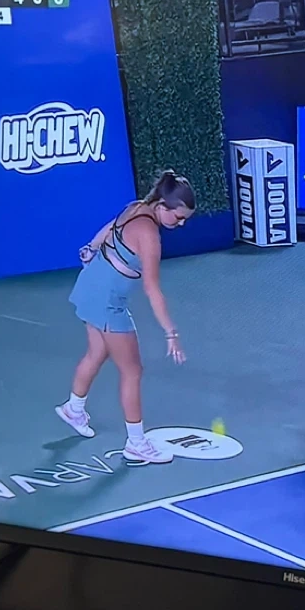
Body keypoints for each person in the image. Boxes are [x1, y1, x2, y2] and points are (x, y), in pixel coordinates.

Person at [55, 171, 196, 464]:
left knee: (97, 352)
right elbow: (152, 288)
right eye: (178, 217)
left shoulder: (135, 207)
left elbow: (110, 227)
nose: (180, 224)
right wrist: (171, 332)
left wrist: (92, 247)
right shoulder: (150, 236)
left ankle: (73, 409)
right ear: (162, 206)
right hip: (108, 302)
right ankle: (136, 443)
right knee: (132, 371)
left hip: (91, 285)